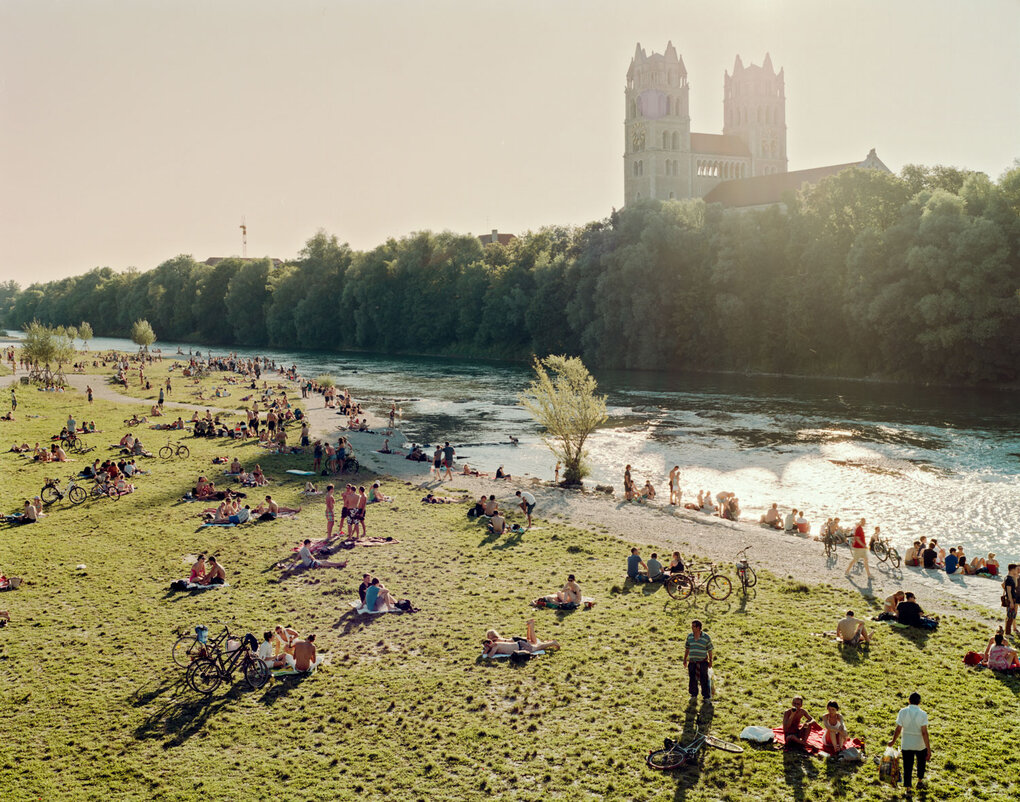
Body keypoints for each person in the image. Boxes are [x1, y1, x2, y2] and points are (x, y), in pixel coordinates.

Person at [889, 692, 931, 790]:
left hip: (906, 743)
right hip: (920, 744)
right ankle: (919, 781)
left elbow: (898, 729)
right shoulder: (923, 714)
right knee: (921, 763)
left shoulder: (902, 712)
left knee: (907, 766)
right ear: (919, 702)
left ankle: (908, 789)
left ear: (909, 700)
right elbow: (924, 733)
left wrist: (893, 741)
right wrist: (928, 749)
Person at [684, 620, 713, 699]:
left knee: (704, 679)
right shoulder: (689, 637)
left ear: (698, 628)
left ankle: (706, 696)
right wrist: (685, 659)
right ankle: (693, 695)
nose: (692, 627)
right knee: (692, 679)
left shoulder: (706, 637)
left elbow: (710, 650)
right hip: (692, 662)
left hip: (703, 662)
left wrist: (710, 661)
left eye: (693, 626)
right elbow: (687, 648)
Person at [1004, 564, 1018, 637]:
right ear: (1012, 569)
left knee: (1012, 615)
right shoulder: (1008, 579)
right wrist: (1011, 602)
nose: (1017, 571)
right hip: (1010, 599)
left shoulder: (1011, 578)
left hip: (1013, 598)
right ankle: (1007, 633)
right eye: (1016, 569)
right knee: (1010, 616)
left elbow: (1015, 586)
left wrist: (1015, 577)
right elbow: (1008, 591)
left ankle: (1007, 632)